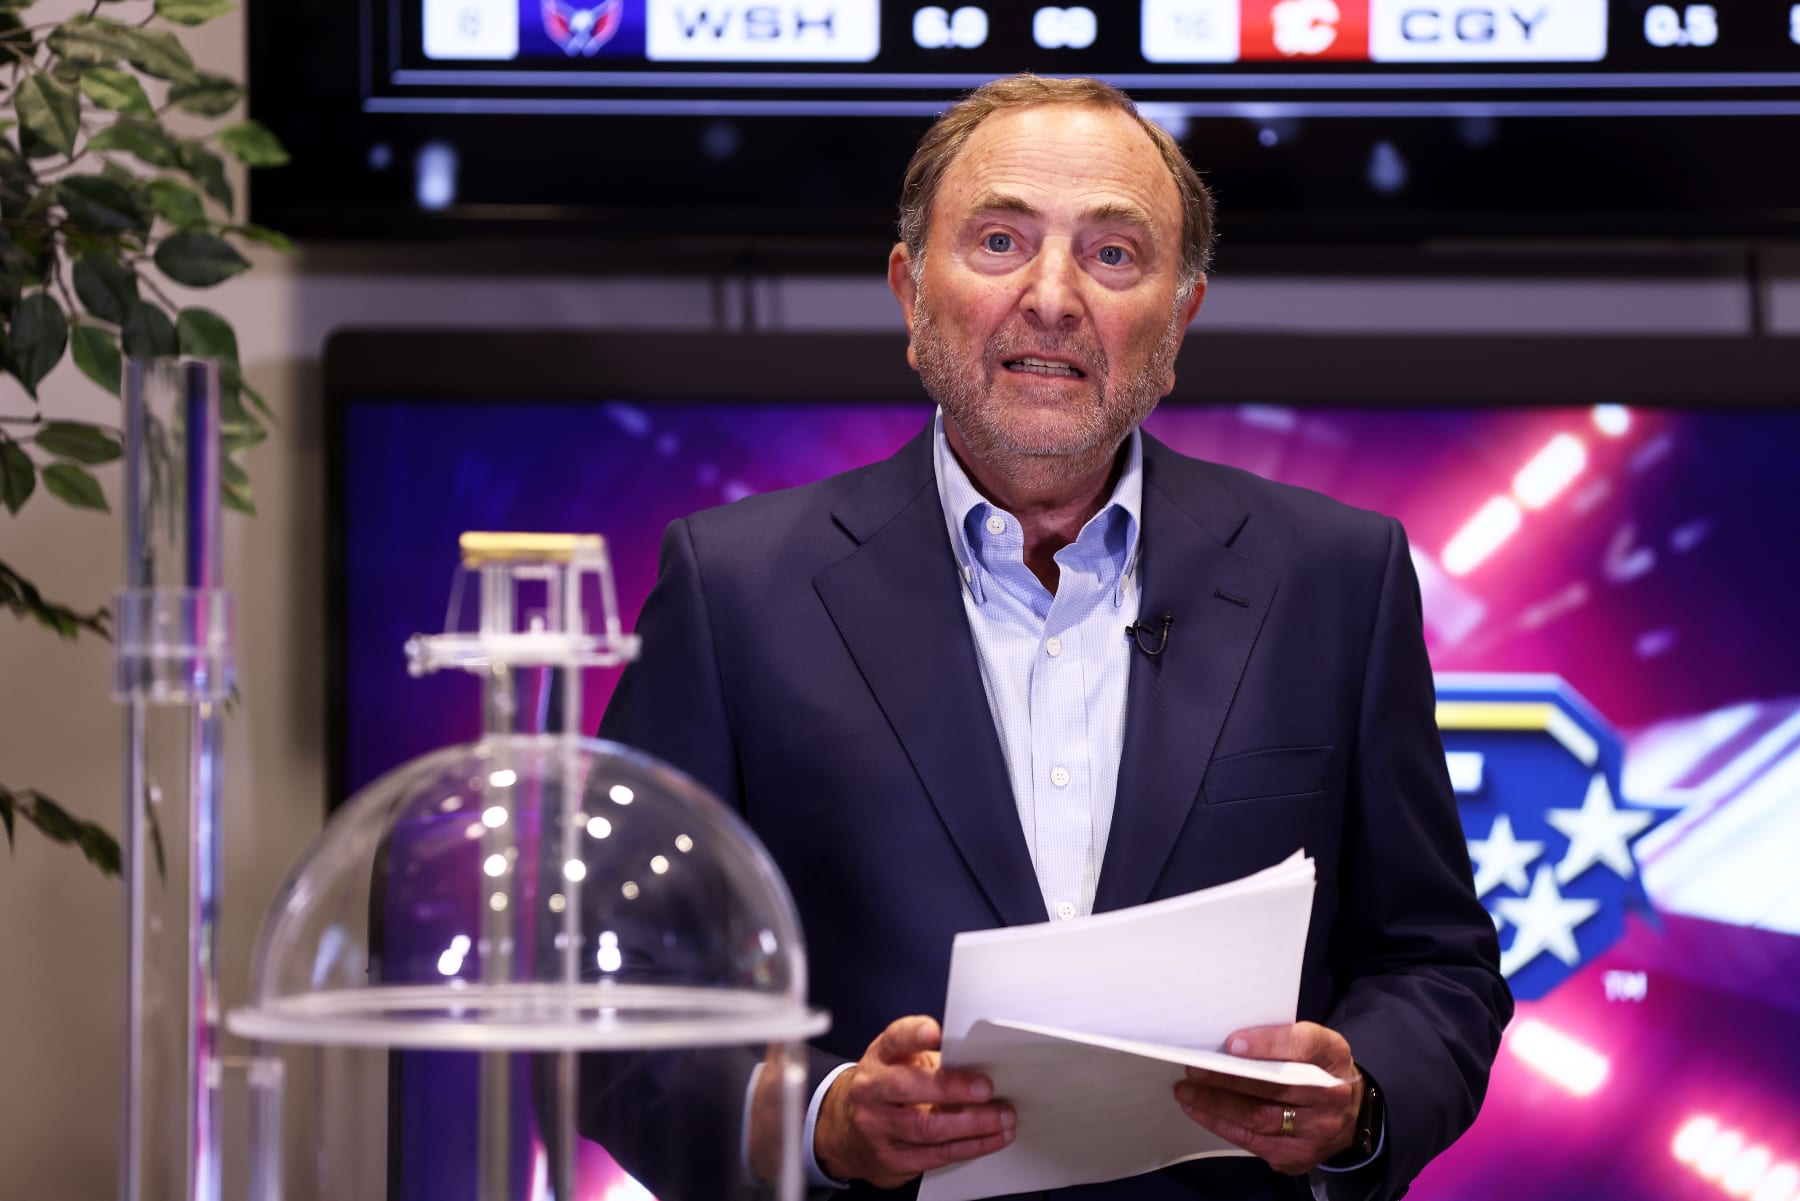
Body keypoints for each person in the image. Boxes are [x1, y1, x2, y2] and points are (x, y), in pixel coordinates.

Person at [598, 74, 1511, 1200]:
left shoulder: (1337, 576)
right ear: (908, 292)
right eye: (997, 240)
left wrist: (1358, 1098)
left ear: (1178, 321)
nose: (1052, 296)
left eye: (1115, 256)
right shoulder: (730, 586)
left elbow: (1435, 960)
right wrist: (826, 1121)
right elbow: (615, 993)